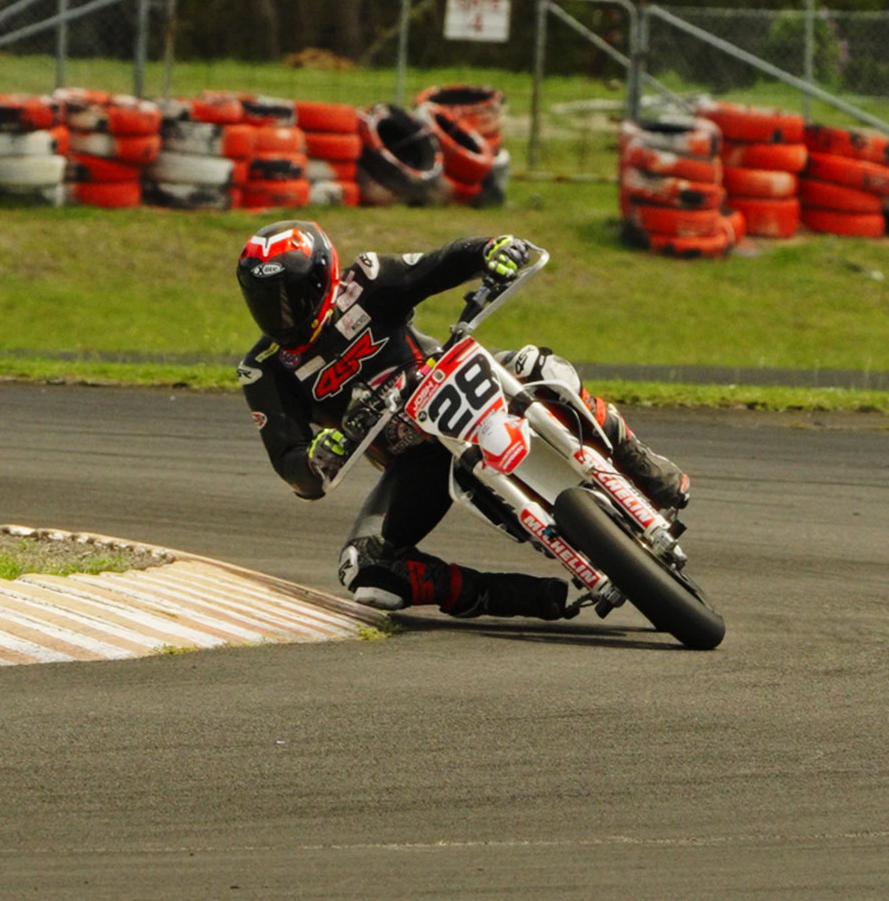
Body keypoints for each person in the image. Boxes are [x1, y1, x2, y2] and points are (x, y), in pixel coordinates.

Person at [236, 220, 689, 621]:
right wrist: (317, 456)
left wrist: (491, 249)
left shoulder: (368, 280)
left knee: (540, 367)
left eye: (291, 296)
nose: (281, 314)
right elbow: (292, 465)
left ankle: (638, 461)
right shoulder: (265, 369)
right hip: (414, 455)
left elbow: (441, 264)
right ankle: (505, 594)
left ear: (323, 278)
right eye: (264, 301)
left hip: (462, 379)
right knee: (365, 569)